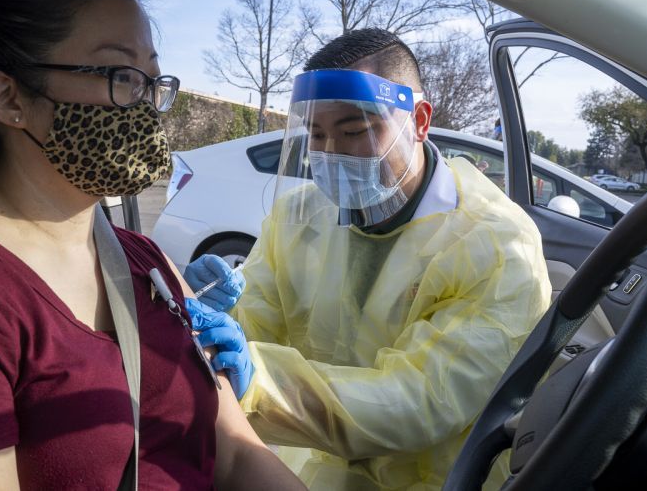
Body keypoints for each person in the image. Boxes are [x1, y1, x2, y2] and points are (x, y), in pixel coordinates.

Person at [0, 0, 305, 489]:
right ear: (10, 98)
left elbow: (238, 454)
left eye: (151, 80)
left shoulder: (147, 260)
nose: (144, 105)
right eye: (120, 76)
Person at [190, 29, 552, 489]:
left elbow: (422, 399)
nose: (330, 154)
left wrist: (260, 383)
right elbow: (258, 322)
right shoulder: (302, 215)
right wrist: (220, 316)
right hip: (314, 467)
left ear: (419, 121)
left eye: (355, 130)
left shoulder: (497, 244)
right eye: (315, 134)